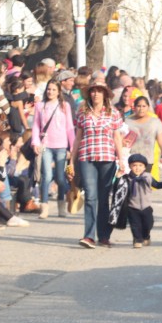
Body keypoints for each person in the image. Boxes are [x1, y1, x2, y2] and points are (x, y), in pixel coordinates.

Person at [69, 79, 124, 249]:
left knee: (103, 197)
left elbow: (117, 137)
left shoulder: (113, 113)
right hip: (87, 157)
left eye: (99, 91)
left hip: (107, 157)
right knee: (91, 197)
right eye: (93, 91)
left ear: (105, 94)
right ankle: (89, 236)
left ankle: (104, 235)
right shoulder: (82, 112)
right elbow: (78, 138)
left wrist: (121, 160)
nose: (96, 94)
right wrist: (71, 160)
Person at [31, 79, 75, 218]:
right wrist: (35, 142)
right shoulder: (40, 105)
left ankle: (61, 205)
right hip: (46, 145)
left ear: (59, 91)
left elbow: (69, 127)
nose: (50, 92)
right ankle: (44, 207)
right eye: (49, 89)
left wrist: (72, 146)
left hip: (61, 145)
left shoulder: (64, 105)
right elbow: (36, 126)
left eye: (54, 89)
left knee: (61, 178)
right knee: (47, 176)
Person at [121, 153, 162, 248]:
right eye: (134, 165)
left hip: (146, 207)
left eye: (140, 165)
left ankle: (146, 236)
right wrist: (118, 176)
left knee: (148, 224)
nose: (137, 168)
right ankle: (137, 239)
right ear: (130, 166)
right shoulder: (127, 178)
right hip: (132, 207)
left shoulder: (148, 176)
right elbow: (119, 189)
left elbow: (156, 185)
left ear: (144, 167)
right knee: (135, 225)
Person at [125, 96, 162, 176]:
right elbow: (120, 139)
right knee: (130, 186)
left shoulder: (155, 122)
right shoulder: (127, 121)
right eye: (138, 106)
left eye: (144, 106)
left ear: (148, 107)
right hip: (131, 160)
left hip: (147, 161)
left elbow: (161, 141)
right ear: (134, 107)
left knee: (144, 185)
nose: (141, 109)